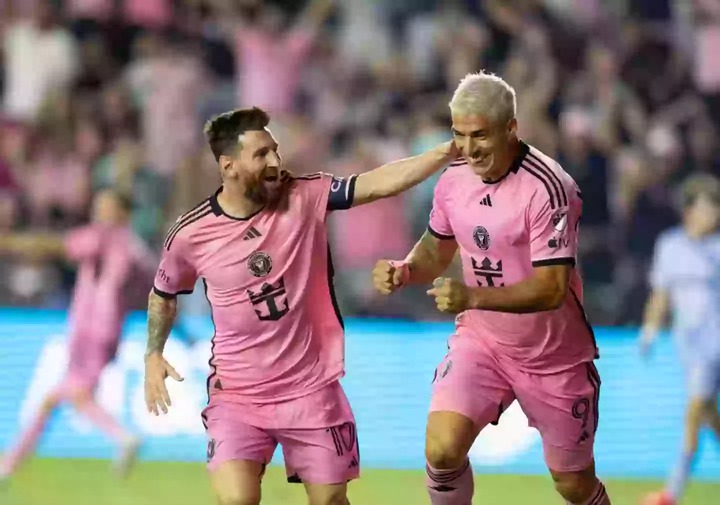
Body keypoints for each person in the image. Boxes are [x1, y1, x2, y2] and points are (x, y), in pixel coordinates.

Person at [144, 107, 457, 505]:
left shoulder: (305, 194)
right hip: (237, 395)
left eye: (275, 150)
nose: (276, 161)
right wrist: (154, 353)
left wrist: (443, 154)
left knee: (329, 502)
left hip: (310, 390)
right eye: (262, 154)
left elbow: (377, 184)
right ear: (229, 166)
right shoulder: (191, 234)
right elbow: (163, 293)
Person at [372, 71, 611, 505]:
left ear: (511, 129)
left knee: (573, 484)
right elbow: (435, 250)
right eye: (459, 135)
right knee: (441, 449)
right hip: (482, 342)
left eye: (479, 135)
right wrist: (404, 270)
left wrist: (472, 296)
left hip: (553, 357)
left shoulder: (549, 188)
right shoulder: (452, 180)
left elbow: (552, 288)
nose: (467, 148)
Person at [0, 189, 156, 480]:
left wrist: (10, 242)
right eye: (98, 207)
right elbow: (156, 284)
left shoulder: (100, 237)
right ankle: (9, 465)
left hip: (91, 330)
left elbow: (55, 246)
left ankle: (122, 437)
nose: (99, 213)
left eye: (106, 208)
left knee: (76, 395)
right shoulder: (137, 249)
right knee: (58, 398)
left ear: (122, 214)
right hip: (106, 330)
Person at [640, 174, 720, 505]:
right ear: (689, 211)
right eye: (706, 208)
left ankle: (671, 493)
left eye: (716, 208)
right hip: (688, 346)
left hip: (715, 345)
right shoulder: (670, 245)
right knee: (708, 414)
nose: (713, 215)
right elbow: (661, 293)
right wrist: (649, 328)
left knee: (694, 410)